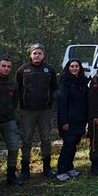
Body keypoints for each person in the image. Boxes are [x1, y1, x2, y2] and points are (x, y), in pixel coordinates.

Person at [16, 43, 58, 178]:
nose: (37, 55)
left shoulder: (49, 69)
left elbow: (54, 88)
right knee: (26, 140)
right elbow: (17, 89)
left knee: (45, 139)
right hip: (27, 111)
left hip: (45, 111)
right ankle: (25, 169)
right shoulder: (23, 69)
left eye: (39, 53)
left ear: (43, 55)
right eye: (34, 53)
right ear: (30, 55)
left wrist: (51, 104)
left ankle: (47, 167)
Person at [56, 59, 89, 181]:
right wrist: (64, 121)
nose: (74, 68)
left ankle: (69, 167)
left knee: (74, 145)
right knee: (68, 145)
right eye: (72, 66)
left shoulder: (82, 82)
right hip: (67, 120)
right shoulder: (64, 83)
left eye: (77, 66)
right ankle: (61, 170)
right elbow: (62, 104)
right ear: (68, 68)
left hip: (80, 119)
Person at [0, 57, 24, 185]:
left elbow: (15, 102)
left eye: (8, 66)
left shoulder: (13, 84)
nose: (6, 69)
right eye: (3, 66)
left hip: (9, 120)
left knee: (14, 146)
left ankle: (11, 176)